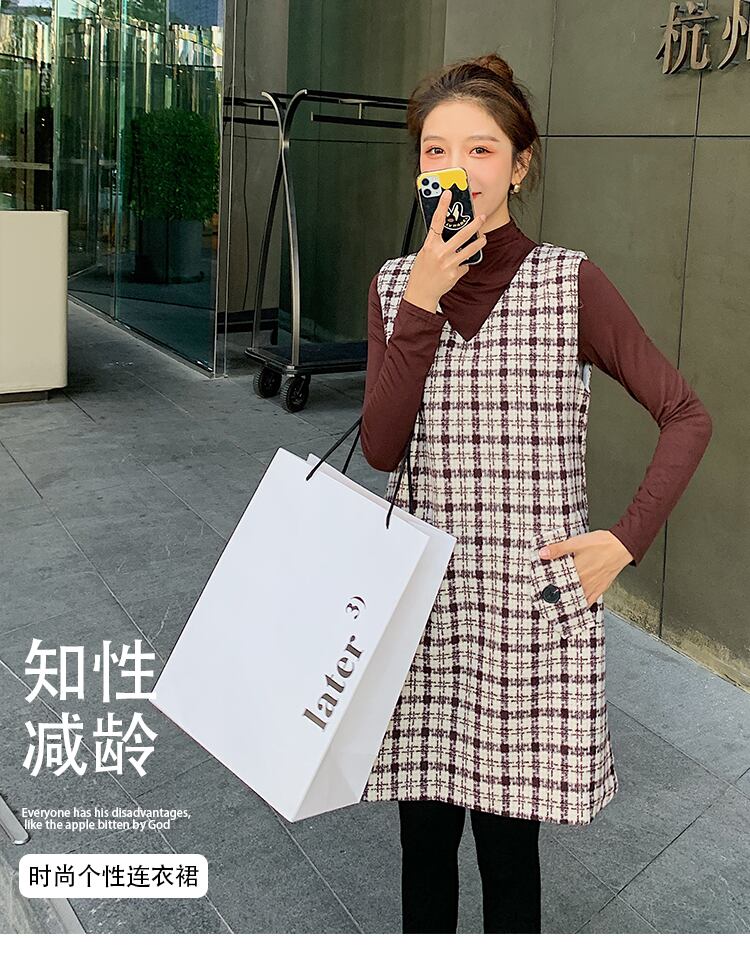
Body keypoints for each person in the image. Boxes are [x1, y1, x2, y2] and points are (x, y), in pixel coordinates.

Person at [357, 52, 713, 934]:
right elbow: (381, 447)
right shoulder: (396, 286)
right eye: (437, 150)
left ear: (520, 166)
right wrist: (421, 304)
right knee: (423, 846)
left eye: (481, 150)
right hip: (422, 613)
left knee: (509, 856)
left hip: (525, 615)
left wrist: (623, 539)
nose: (457, 170)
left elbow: (686, 414)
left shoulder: (569, 282)